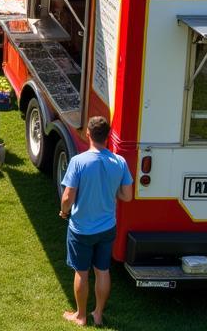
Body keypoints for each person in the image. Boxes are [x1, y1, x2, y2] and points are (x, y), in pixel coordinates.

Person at [59, 116, 134, 327]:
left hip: (81, 229)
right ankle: (98, 314)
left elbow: (67, 198)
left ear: (88, 134)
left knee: (81, 272)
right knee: (103, 271)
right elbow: (127, 196)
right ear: (108, 136)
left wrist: (64, 212)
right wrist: (112, 190)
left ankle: (81, 316)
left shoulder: (78, 162)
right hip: (107, 228)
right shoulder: (120, 162)